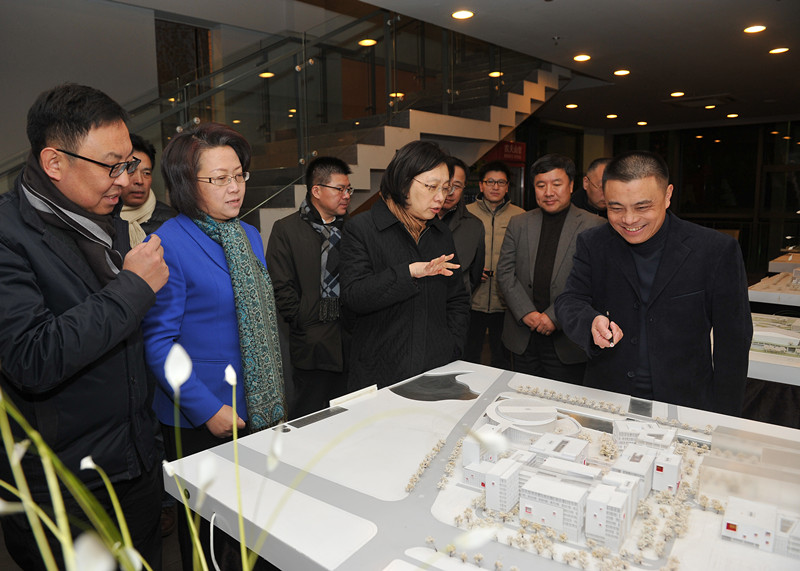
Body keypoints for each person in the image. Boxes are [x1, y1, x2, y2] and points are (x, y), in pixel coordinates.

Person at [0, 83, 167, 570]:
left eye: (129, 163)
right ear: (54, 162)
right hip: (61, 487)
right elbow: (31, 358)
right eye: (112, 165)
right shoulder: (9, 235)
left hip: (134, 466)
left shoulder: (104, 219)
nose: (126, 179)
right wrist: (134, 288)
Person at [142, 122, 285, 570]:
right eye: (219, 178)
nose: (235, 187)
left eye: (239, 175)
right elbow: (158, 343)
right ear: (187, 183)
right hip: (200, 417)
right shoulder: (166, 244)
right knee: (207, 541)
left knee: (254, 529)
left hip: (256, 407)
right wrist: (206, 409)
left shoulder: (248, 235)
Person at [555, 151, 753, 415]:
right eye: (616, 208)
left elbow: (734, 340)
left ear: (668, 195)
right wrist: (591, 322)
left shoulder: (715, 250)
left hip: (685, 404)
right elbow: (570, 300)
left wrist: (726, 419)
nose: (629, 220)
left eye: (642, 207)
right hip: (608, 398)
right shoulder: (593, 243)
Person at [340, 140, 470, 390]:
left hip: (437, 368)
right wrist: (409, 272)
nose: (441, 197)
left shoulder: (441, 233)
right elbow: (354, 296)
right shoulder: (362, 228)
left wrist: (452, 345)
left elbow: (457, 299)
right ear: (403, 183)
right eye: (431, 187)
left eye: (446, 188)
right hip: (380, 372)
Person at [497, 154, 605, 384]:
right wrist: (526, 313)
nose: (548, 192)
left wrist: (554, 317)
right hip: (522, 336)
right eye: (541, 185)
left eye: (556, 184)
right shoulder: (519, 223)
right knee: (520, 396)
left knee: (563, 401)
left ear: (571, 185)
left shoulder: (594, 226)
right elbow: (505, 273)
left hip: (568, 340)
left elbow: (594, 281)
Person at [266, 156, 352, 419]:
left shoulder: (353, 229)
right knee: (310, 417)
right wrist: (302, 319)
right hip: (311, 344)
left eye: (348, 189)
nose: (347, 196)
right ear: (317, 190)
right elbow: (281, 286)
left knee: (350, 416)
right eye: (340, 189)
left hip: (350, 341)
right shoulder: (286, 229)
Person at [465, 160, 523, 368]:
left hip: (505, 302)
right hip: (473, 299)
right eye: (490, 182)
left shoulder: (520, 216)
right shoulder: (465, 213)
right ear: (481, 185)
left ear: (507, 187)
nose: (495, 187)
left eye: (501, 182)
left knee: (503, 358)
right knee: (469, 354)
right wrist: (471, 271)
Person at [438, 156, 485, 296]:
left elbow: (475, 275)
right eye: (446, 185)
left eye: (457, 186)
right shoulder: (416, 220)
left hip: (457, 303)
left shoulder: (474, 225)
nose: (450, 192)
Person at [119, 133, 177, 244]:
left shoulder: (171, 220)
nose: (139, 181)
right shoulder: (103, 217)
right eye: (131, 171)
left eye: (146, 173)